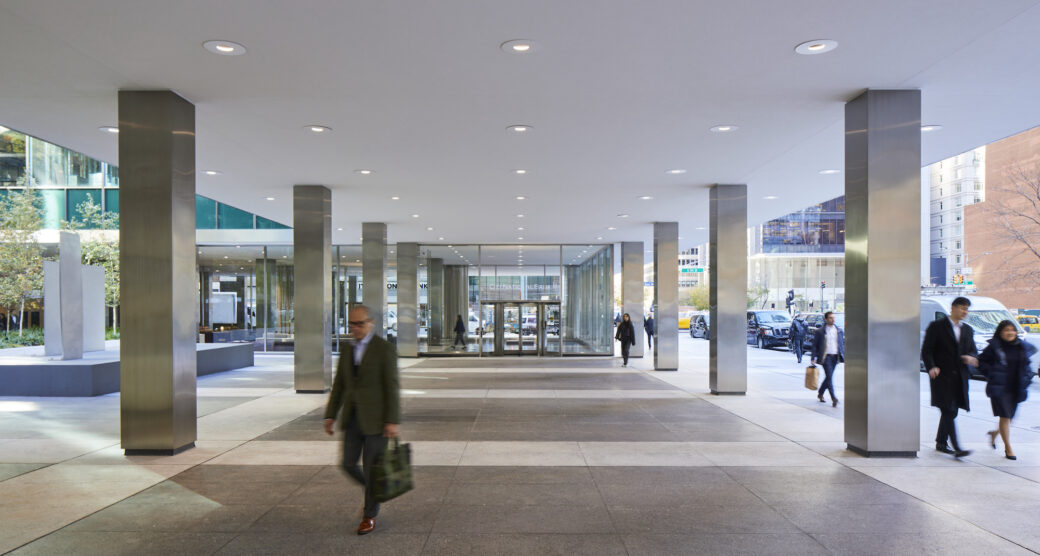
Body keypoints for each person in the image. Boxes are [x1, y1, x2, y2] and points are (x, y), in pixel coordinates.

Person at [323, 305, 401, 535]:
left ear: (371, 323)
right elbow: (339, 385)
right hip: (353, 418)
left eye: (360, 324)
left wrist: (392, 420)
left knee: (371, 467)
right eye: (352, 324)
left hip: (377, 420)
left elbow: (392, 387)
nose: (355, 328)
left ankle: (369, 515)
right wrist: (330, 414)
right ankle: (375, 489)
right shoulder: (347, 350)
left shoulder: (384, 349)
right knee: (348, 464)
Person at [921, 296, 979, 458]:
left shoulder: (967, 330)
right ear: (953, 308)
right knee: (948, 410)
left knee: (952, 411)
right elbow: (927, 350)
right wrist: (931, 366)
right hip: (942, 376)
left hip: (960, 377)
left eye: (967, 309)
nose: (964, 312)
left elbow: (973, 350)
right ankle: (957, 447)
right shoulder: (937, 327)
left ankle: (940, 441)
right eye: (962, 308)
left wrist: (972, 357)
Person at [979, 320, 1035, 460]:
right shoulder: (994, 347)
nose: (1010, 332)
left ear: (1016, 332)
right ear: (1000, 332)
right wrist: (992, 374)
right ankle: (1008, 448)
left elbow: (1027, 366)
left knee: (1010, 419)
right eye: (1006, 330)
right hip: (1000, 388)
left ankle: (994, 434)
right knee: (1005, 416)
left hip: (1016, 387)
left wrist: (1027, 378)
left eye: (1012, 330)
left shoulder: (1022, 347)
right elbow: (982, 362)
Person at [810, 311, 844, 407]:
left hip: (835, 357)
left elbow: (841, 343)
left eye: (833, 318)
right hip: (825, 357)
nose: (833, 319)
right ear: (825, 319)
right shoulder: (820, 331)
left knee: (828, 377)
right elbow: (814, 345)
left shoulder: (839, 330)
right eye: (830, 318)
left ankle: (820, 393)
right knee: (829, 376)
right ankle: (834, 398)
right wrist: (813, 357)